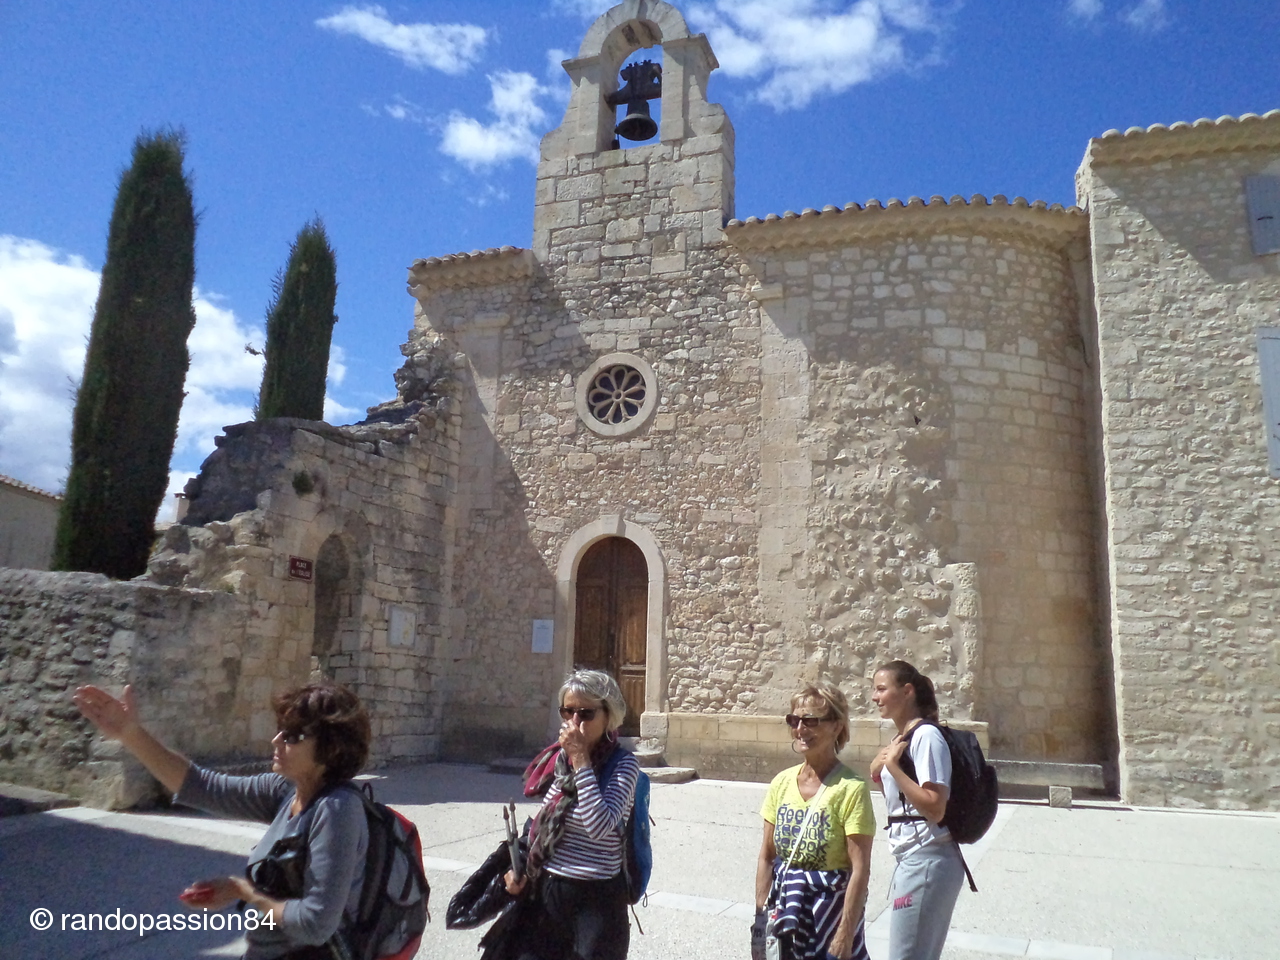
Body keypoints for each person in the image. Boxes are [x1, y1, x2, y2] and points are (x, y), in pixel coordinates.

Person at [73, 681, 371, 960]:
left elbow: (315, 925)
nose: (276, 740)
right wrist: (130, 733)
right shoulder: (285, 791)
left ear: (331, 747)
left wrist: (242, 891)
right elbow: (202, 787)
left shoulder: (337, 810)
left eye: (292, 735)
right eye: (281, 729)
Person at [501, 669, 640, 960]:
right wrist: (521, 867)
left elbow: (599, 826)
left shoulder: (623, 765)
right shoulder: (560, 761)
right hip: (549, 893)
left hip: (597, 901)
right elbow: (546, 824)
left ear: (608, 716)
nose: (574, 722)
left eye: (586, 714)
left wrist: (581, 760)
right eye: (567, 712)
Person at [753, 682, 875, 960]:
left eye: (811, 721)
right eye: (794, 720)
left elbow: (860, 869)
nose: (800, 729)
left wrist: (845, 934)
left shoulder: (851, 788)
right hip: (785, 915)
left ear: (836, 726)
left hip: (830, 918)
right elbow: (767, 856)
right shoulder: (782, 783)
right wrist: (761, 917)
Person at [870, 660, 965, 960]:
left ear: (907, 691)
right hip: (913, 859)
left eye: (881, 689)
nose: (874, 697)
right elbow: (903, 802)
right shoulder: (904, 738)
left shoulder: (926, 737)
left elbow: (935, 807)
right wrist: (879, 774)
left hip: (927, 859)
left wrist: (892, 767)